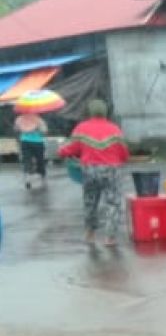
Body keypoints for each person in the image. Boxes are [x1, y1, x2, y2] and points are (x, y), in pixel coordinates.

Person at [57, 99, 129, 246]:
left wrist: (61, 150)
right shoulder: (115, 129)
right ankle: (110, 238)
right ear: (105, 112)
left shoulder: (81, 128)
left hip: (90, 170)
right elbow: (124, 154)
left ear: (90, 111)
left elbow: (69, 149)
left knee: (90, 202)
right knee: (113, 203)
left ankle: (90, 234)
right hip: (112, 170)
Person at [15, 111, 48, 188]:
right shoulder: (38, 119)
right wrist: (37, 129)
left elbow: (16, 129)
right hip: (38, 142)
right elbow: (44, 131)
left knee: (27, 159)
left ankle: (28, 178)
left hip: (25, 142)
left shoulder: (19, 119)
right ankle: (42, 176)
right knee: (40, 160)